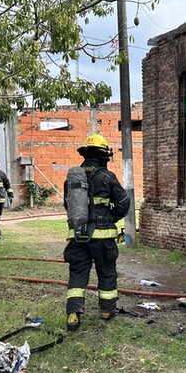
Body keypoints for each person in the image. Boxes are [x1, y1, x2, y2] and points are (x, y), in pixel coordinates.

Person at [63, 135, 130, 331]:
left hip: (78, 234)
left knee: (77, 273)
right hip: (103, 237)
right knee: (106, 271)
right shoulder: (107, 177)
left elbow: (68, 205)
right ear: (103, 156)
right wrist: (111, 216)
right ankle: (107, 310)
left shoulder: (73, 178)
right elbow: (124, 203)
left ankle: (73, 313)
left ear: (86, 153)